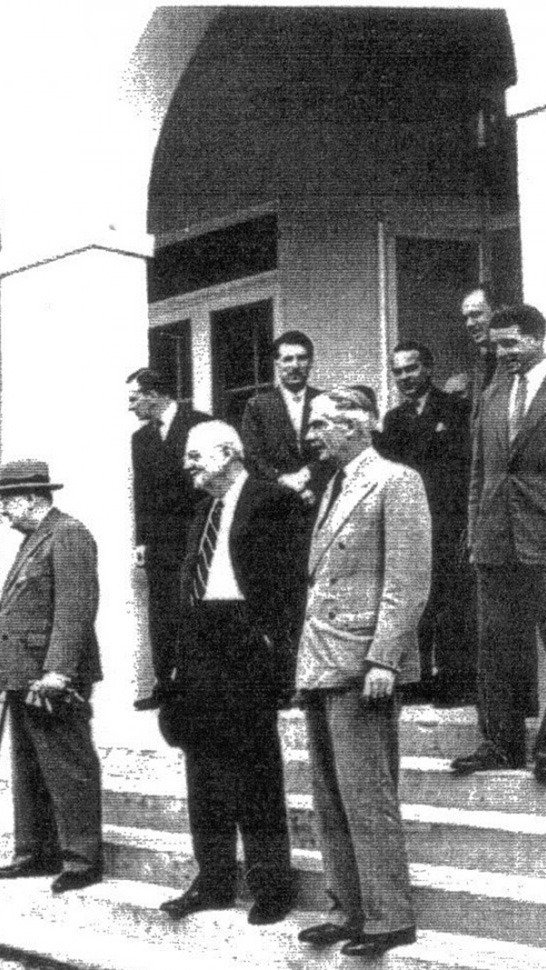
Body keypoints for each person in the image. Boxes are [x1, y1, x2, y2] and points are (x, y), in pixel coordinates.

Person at [296, 387, 431, 958]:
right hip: (323, 659)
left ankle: (389, 914)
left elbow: (407, 578)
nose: (313, 434)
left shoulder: (396, 480)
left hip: (361, 661)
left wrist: (385, 658)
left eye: (324, 423)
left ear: (358, 426)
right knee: (329, 796)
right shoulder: (334, 484)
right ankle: (347, 907)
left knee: (366, 793)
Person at [156, 421, 298, 925]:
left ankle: (271, 885)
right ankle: (213, 880)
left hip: (245, 642)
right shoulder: (204, 509)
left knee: (254, 769)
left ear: (229, 454)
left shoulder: (272, 501)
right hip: (199, 642)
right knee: (204, 770)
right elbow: (187, 586)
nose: (187, 463)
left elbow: (289, 586)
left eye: (196, 455)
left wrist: (274, 649)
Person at [451, 305, 546, 784]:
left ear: (537, 338)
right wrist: (476, 533)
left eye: (510, 343)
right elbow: (481, 473)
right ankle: (499, 744)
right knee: (495, 645)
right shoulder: (493, 394)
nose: (501, 352)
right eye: (497, 344)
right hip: (497, 541)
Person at [0, 460, 103, 894]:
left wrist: (58, 671)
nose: (3, 510)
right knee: (30, 768)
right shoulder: (36, 537)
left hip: (50, 675)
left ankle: (81, 859)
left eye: (7, 501)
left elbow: (74, 608)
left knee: (68, 765)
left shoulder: (68, 534)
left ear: (33, 498)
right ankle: (36, 852)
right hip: (23, 673)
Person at [376, 341, 476, 706]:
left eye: (412, 368)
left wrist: (469, 520)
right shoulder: (394, 421)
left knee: (454, 602)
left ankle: (456, 680)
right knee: (417, 602)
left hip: (450, 523)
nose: (405, 377)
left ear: (428, 368)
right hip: (411, 526)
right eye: (398, 371)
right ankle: (417, 679)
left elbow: (469, 470)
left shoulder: (456, 410)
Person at [127, 367, 210, 710]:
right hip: (160, 541)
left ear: (153, 394)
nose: (130, 407)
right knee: (161, 610)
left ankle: (198, 684)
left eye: (134, 399)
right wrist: (141, 540)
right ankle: (165, 684)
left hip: (197, 534)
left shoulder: (199, 425)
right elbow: (142, 493)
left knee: (195, 607)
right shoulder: (141, 439)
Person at [241, 330, 332, 510]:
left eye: (302, 358)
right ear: (277, 363)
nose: (295, 365)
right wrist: (282, 479)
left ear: (311, 362)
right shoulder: (258, 406)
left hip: (320, 496)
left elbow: (334, 447)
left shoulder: (326, 401)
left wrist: (309, 474)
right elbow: (252, 455)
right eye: (288, 359)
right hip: (275, 501)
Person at [443, 285, 498, 417]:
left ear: (497, 313)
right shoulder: (471, 374)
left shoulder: (515, 364)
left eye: (476, 314)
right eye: (466, 318)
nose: (469, 324)